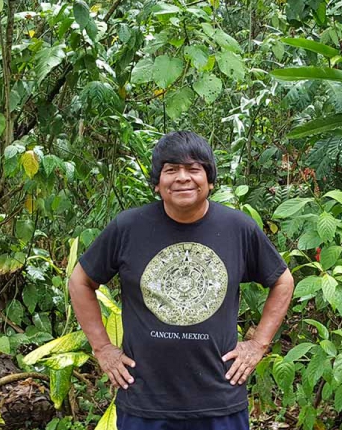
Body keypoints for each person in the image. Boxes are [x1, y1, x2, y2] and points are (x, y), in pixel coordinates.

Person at [68, 131, 296, 429]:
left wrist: (257, 345)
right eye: (171, 169)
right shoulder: (129, 227)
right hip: (145, 402)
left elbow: (282, 281)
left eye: (193, 169)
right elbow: (80, 281)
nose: (183, 178)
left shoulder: (237, 228)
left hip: (220, 399)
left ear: (209, 180)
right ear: (157, 183)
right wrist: (103, 350)